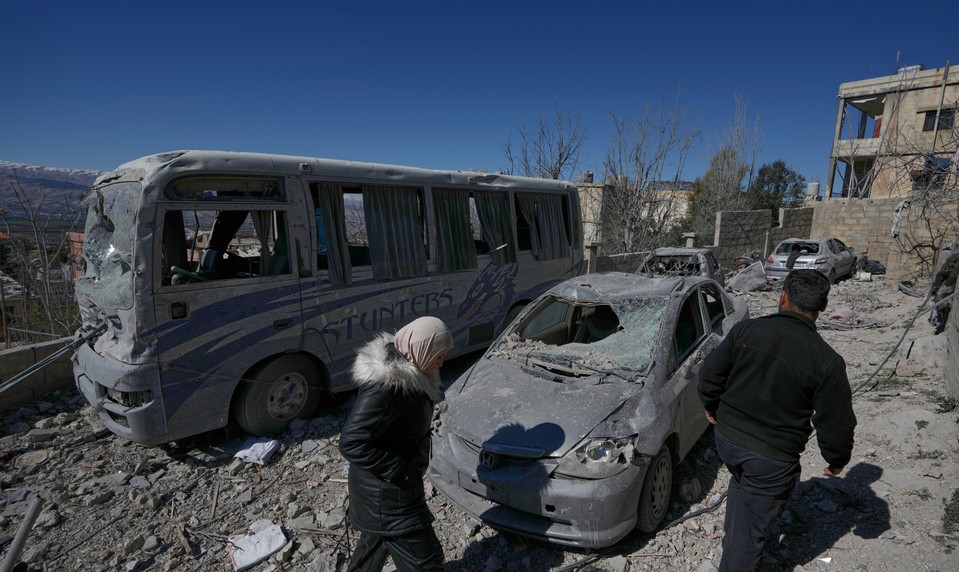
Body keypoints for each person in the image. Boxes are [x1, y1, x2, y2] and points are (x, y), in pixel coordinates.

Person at [698, 269, 857, 571]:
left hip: (728, 441)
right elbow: (836, 421)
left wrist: (710, 404)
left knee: (742, 483)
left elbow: (709, 375)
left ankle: (732, 543)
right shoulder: (827, 360)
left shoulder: (747, 331)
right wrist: (836, 460)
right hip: (771, 460)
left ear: (782, 297)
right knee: (750, 532)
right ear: (822, 307)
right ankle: (736, 553)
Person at [339, 316, 454, 572]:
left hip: (379, 493)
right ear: (420, 349)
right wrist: (400, 471)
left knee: (373, 547)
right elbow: (352, 442)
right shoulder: (387, 388)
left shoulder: (411, 370)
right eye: (438, 354)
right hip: (389, 495)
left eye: (444, 354)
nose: (441, 361)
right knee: (425, 560)